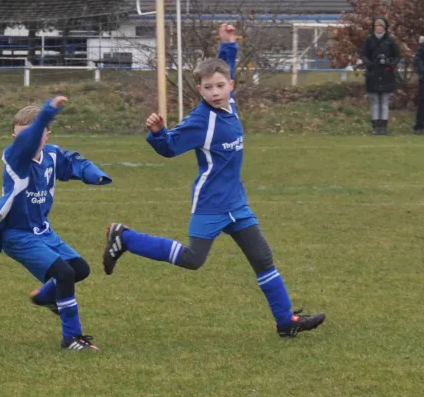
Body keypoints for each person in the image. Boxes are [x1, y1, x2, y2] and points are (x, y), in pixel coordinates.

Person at [102, 24, 325, 338]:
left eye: (220, 85)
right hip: (210, 203)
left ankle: (286, 322)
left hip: (236, 201)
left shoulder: (228, 102)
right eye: (208, 88)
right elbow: (168, 149)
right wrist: (158, 133)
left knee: (262, 258)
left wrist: (227, 45)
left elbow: (224, 67)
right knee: (194, 260)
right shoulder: (200, 121)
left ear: (231, 85)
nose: (215, 92)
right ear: (200, 90)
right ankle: (125, 238)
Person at [0, 96, 112, 351]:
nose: (29, 141)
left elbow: (74, 163)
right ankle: (72, 339)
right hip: (17, 235)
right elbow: (30, 139)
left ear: (47, 136)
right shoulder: (15, 157)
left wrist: (94, 174)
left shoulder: (51, 156)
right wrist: (47, 112)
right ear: (14, 139)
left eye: (36, 135)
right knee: (63, 274)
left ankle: (46, 297)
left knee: (80, 269)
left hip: (43, 230)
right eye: (22, 136)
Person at [361, 18, 401, 135]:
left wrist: (390, 64)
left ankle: (383, 126)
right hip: (373, 73)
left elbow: (397, 55)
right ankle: (375, 125)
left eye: (381, 26)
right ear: (374, 27)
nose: (379, 28)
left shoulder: (390, 40)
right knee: (374, 101)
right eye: (377, 26)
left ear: (384, 27)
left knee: (384, 100)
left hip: (386, 73)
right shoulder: (369, 40)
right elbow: (364, 55)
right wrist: (370, 64)